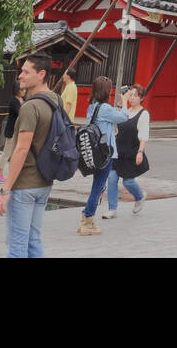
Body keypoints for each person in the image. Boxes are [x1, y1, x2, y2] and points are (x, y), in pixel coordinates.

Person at [0, 54, 59, 257]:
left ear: (41, 74)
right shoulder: (55, 100)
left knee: (17, 245)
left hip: (25, 185)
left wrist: (5, 190)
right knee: (33, 239)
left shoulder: (30, 107)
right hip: (44, 181)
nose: (20, 75)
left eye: (25, 71)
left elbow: (21, 150)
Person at [76, 76, 131, 235]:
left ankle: (86, 218)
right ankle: (87, 220)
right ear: (107, 91)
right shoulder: (105, 108)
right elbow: (123, 117)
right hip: (104, 153)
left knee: (97, 185)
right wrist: (125, 100)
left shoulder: (92, 106)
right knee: (98, 187)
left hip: (95, 152)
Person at [105, 83, 149, 218]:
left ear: (141, 98)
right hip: (118, 151)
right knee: (112, 178)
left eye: (135, 96)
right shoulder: (125, 111)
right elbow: (117, 130)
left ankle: (140, 196)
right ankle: (112, 209)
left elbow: (143, 135)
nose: (132, 98)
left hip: (132, 152)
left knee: (127, 181)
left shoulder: (144, 114)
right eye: (130, 95)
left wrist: (140, 152)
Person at [0, 80, 23, 184]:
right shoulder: (13, 101)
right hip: (11, 131)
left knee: (14, 154)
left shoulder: (21, 100)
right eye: (22, 89)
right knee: (6, 154)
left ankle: (13, 175)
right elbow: (21, 113)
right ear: (17, 90)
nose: (24, 91)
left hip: (17, 132)